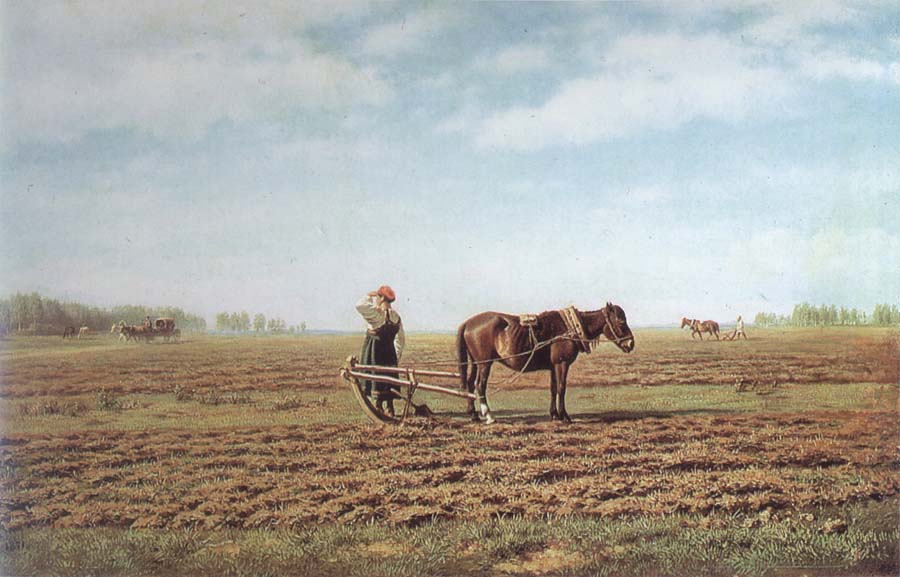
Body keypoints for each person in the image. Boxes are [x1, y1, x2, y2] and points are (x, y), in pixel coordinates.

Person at [356, 286, 405, 416]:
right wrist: (397, 356)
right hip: (390, 355)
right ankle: (390, 407)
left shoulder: (376, 315)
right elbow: (401, 340)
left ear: (382, 298)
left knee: (376, 379)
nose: (376, 299)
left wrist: (368, 295)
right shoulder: (396, 317)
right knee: (389, 379)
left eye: (377, 297)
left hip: (374, 354)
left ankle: (378, 407)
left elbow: (359, 305)